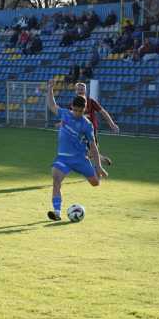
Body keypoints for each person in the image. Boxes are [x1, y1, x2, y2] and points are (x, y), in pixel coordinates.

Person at [46, 80, 108, 221]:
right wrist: (50, 89)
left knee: (95, 183)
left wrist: (99, 167)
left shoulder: (87, 125)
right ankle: (56, 212)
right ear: (72, 107)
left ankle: (94, 167)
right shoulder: (65, 114)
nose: (78, 113)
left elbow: (93, 147)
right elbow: (51, 105)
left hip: (80, 159)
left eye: (81, 111)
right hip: (63, 158)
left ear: (85, 109)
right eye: (76, 110)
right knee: (56, 180)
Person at [74, 82, 119, 166]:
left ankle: (98, 168)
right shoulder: (73, 103)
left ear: (85, 91)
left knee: (91, 151)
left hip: (91, 130)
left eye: (82, 90)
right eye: (79, 90)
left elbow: (103, 112)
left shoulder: (91, 102)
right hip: (79, 131)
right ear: (75, 91)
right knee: (84, 152)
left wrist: (112, 124)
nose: (80, 91)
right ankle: (100, 160)